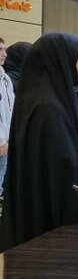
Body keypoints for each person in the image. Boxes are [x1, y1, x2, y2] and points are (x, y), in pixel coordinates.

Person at [0, 33, 78, 251]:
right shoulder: (48, 109)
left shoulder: (65, 100)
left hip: (75, 218)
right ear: (62, 62)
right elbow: (65, 175)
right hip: (55, 232)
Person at [0, 39, 14, 193]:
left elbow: (10, 108)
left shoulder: (5, 78)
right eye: (0, 50)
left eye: (5, 50)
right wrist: (1, 139)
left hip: (7, 140)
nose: (4, 54)